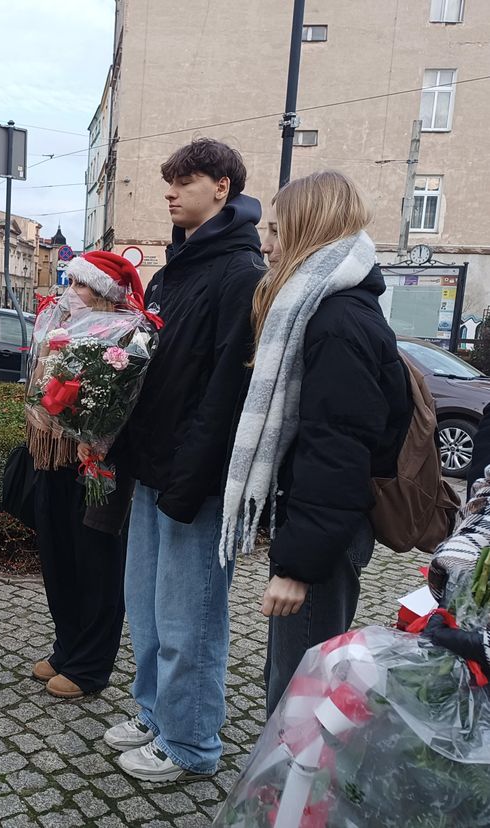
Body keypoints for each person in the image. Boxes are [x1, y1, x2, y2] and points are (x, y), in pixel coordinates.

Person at [221, 170, 411, 716]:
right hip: (321, 528)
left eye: (278, 231)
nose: (268, 245)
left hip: (324, 538)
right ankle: (286, 795)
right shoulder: (332, 308)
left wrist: (297, 566)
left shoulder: (335, 320)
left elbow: (338, 449)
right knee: (293, 681)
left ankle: (294, 799)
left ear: (310, 229)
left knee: (299, 694)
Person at [105, 139, 264, 783]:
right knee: (144, 606)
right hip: (150, 465)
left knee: (189, 615)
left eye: (185, 181)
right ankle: (155, 711)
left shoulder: (240, 273)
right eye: (168, 182)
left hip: (194, 478)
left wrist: (191, 478)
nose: (169, 192)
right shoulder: (176, 268)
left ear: (222, 187)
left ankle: (191, 742)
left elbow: (227, 389)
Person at [25, 251, 139, 700]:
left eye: (81, 286)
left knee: (96, 563)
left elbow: (125, 401)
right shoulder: (59, 328)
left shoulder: (128, 335)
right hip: (52, 459)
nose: (69, 293)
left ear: (106, 295)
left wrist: (94, 432)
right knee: (59, 558)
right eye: (69, 283)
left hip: (96, 464)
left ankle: (91, 663)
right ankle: (66, 644)